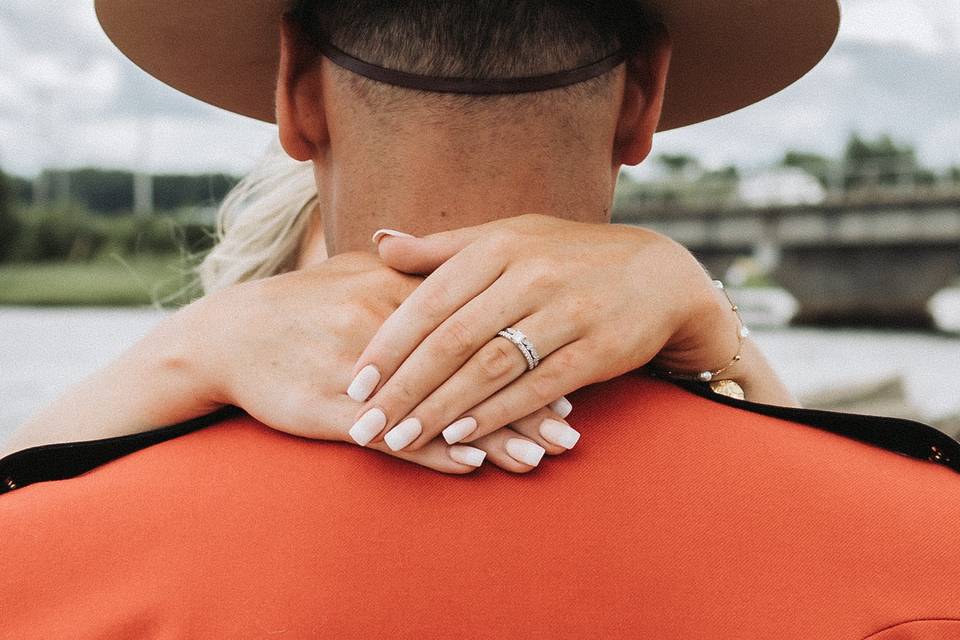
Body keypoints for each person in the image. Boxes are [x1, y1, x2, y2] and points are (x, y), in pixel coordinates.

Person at [5, 0, 960, 637]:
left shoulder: (46, 571)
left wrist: (179, 357)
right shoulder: (930, 551)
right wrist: (719, 335)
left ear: (298, 90)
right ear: (643, 101)